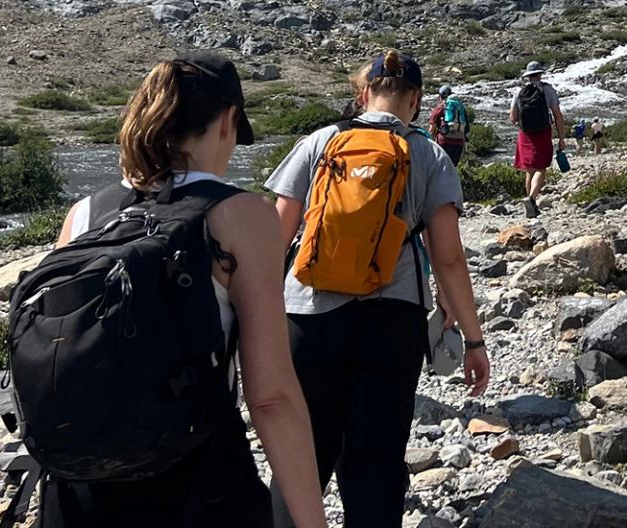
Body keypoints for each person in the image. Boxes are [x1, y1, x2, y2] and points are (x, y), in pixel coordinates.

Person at [39, 54, 328, 528]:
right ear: (228, 121)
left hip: (80, 485)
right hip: (197, 481)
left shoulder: (85, 214)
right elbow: (272, 396)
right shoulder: (243, 216)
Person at [268, 51, 491, 528]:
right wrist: (473, 340)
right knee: (376, 459)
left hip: (308, 315)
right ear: (414, 101)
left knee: (302, 456)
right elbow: (448, 258)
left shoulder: (319, 142)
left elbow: (275, 239)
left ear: (364, 92)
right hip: (393, 321)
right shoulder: (429, 154)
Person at [509, 61, 568, 217]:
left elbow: (513, 118)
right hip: (543, 132)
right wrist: (561, 138)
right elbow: (557, 116)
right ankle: (531, 199)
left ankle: (531, 206)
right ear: (541, 74)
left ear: (527, 76)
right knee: (541, 168)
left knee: (529, 170)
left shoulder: (519, 91)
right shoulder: (548, 90)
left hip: (525, 134)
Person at [429, 85, 472, 165]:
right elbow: (466, 128)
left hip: (444, 142)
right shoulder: (460, 107)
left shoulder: (440, 108)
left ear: (440, 97)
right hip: (459, 143)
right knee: (452, 168)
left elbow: (431, 130)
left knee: (441, 168)